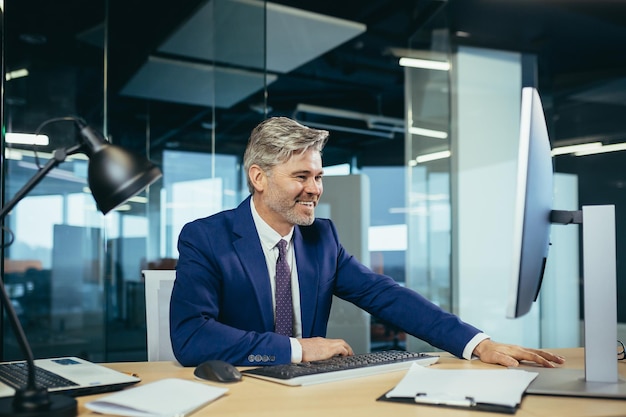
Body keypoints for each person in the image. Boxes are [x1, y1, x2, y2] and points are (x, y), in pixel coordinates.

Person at [170, 116, 566, 368]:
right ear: (259, 178)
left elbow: (387, 297)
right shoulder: (206, 238)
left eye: (318, 176)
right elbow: (191, 339)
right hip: (238, 396)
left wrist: (477, 344)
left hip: (305, 395)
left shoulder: (320, 238)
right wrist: (297, 349)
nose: (315, 189)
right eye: (301, 176)